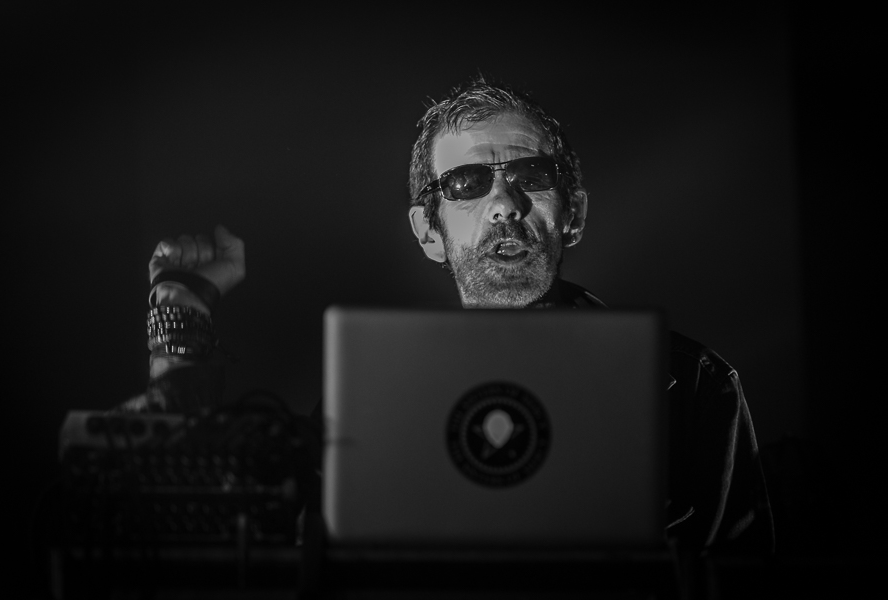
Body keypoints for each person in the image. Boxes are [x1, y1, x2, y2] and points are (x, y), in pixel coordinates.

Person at [134, 76, 774, 557]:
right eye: (467, 184)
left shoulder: (690, 384)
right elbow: (219, 537)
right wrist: (181, 312)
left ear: (573, 213)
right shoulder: (372, 386)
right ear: (428, 231)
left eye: (531, 175)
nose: (504, 203)